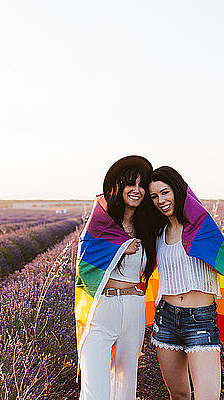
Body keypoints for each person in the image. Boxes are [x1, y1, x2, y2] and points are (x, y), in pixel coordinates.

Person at [146, 166, 224, 400]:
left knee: (208, 396)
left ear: (177, 191)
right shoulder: (157, 233)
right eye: (154, 196)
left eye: (165, 192)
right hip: (166, 319)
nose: (160, 200)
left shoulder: (201, 227)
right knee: (179, 395)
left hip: (200, 319)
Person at [75, 155, 156, 400]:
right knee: (95, 388)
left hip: (134, 307)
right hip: (103, 308)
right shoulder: (101, 222)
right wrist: (120, 247)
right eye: (131, 184)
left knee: (126, 385)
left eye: (142, 185)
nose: (137, 190)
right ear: (119, 186)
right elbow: (84, 268)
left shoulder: (147, 228)